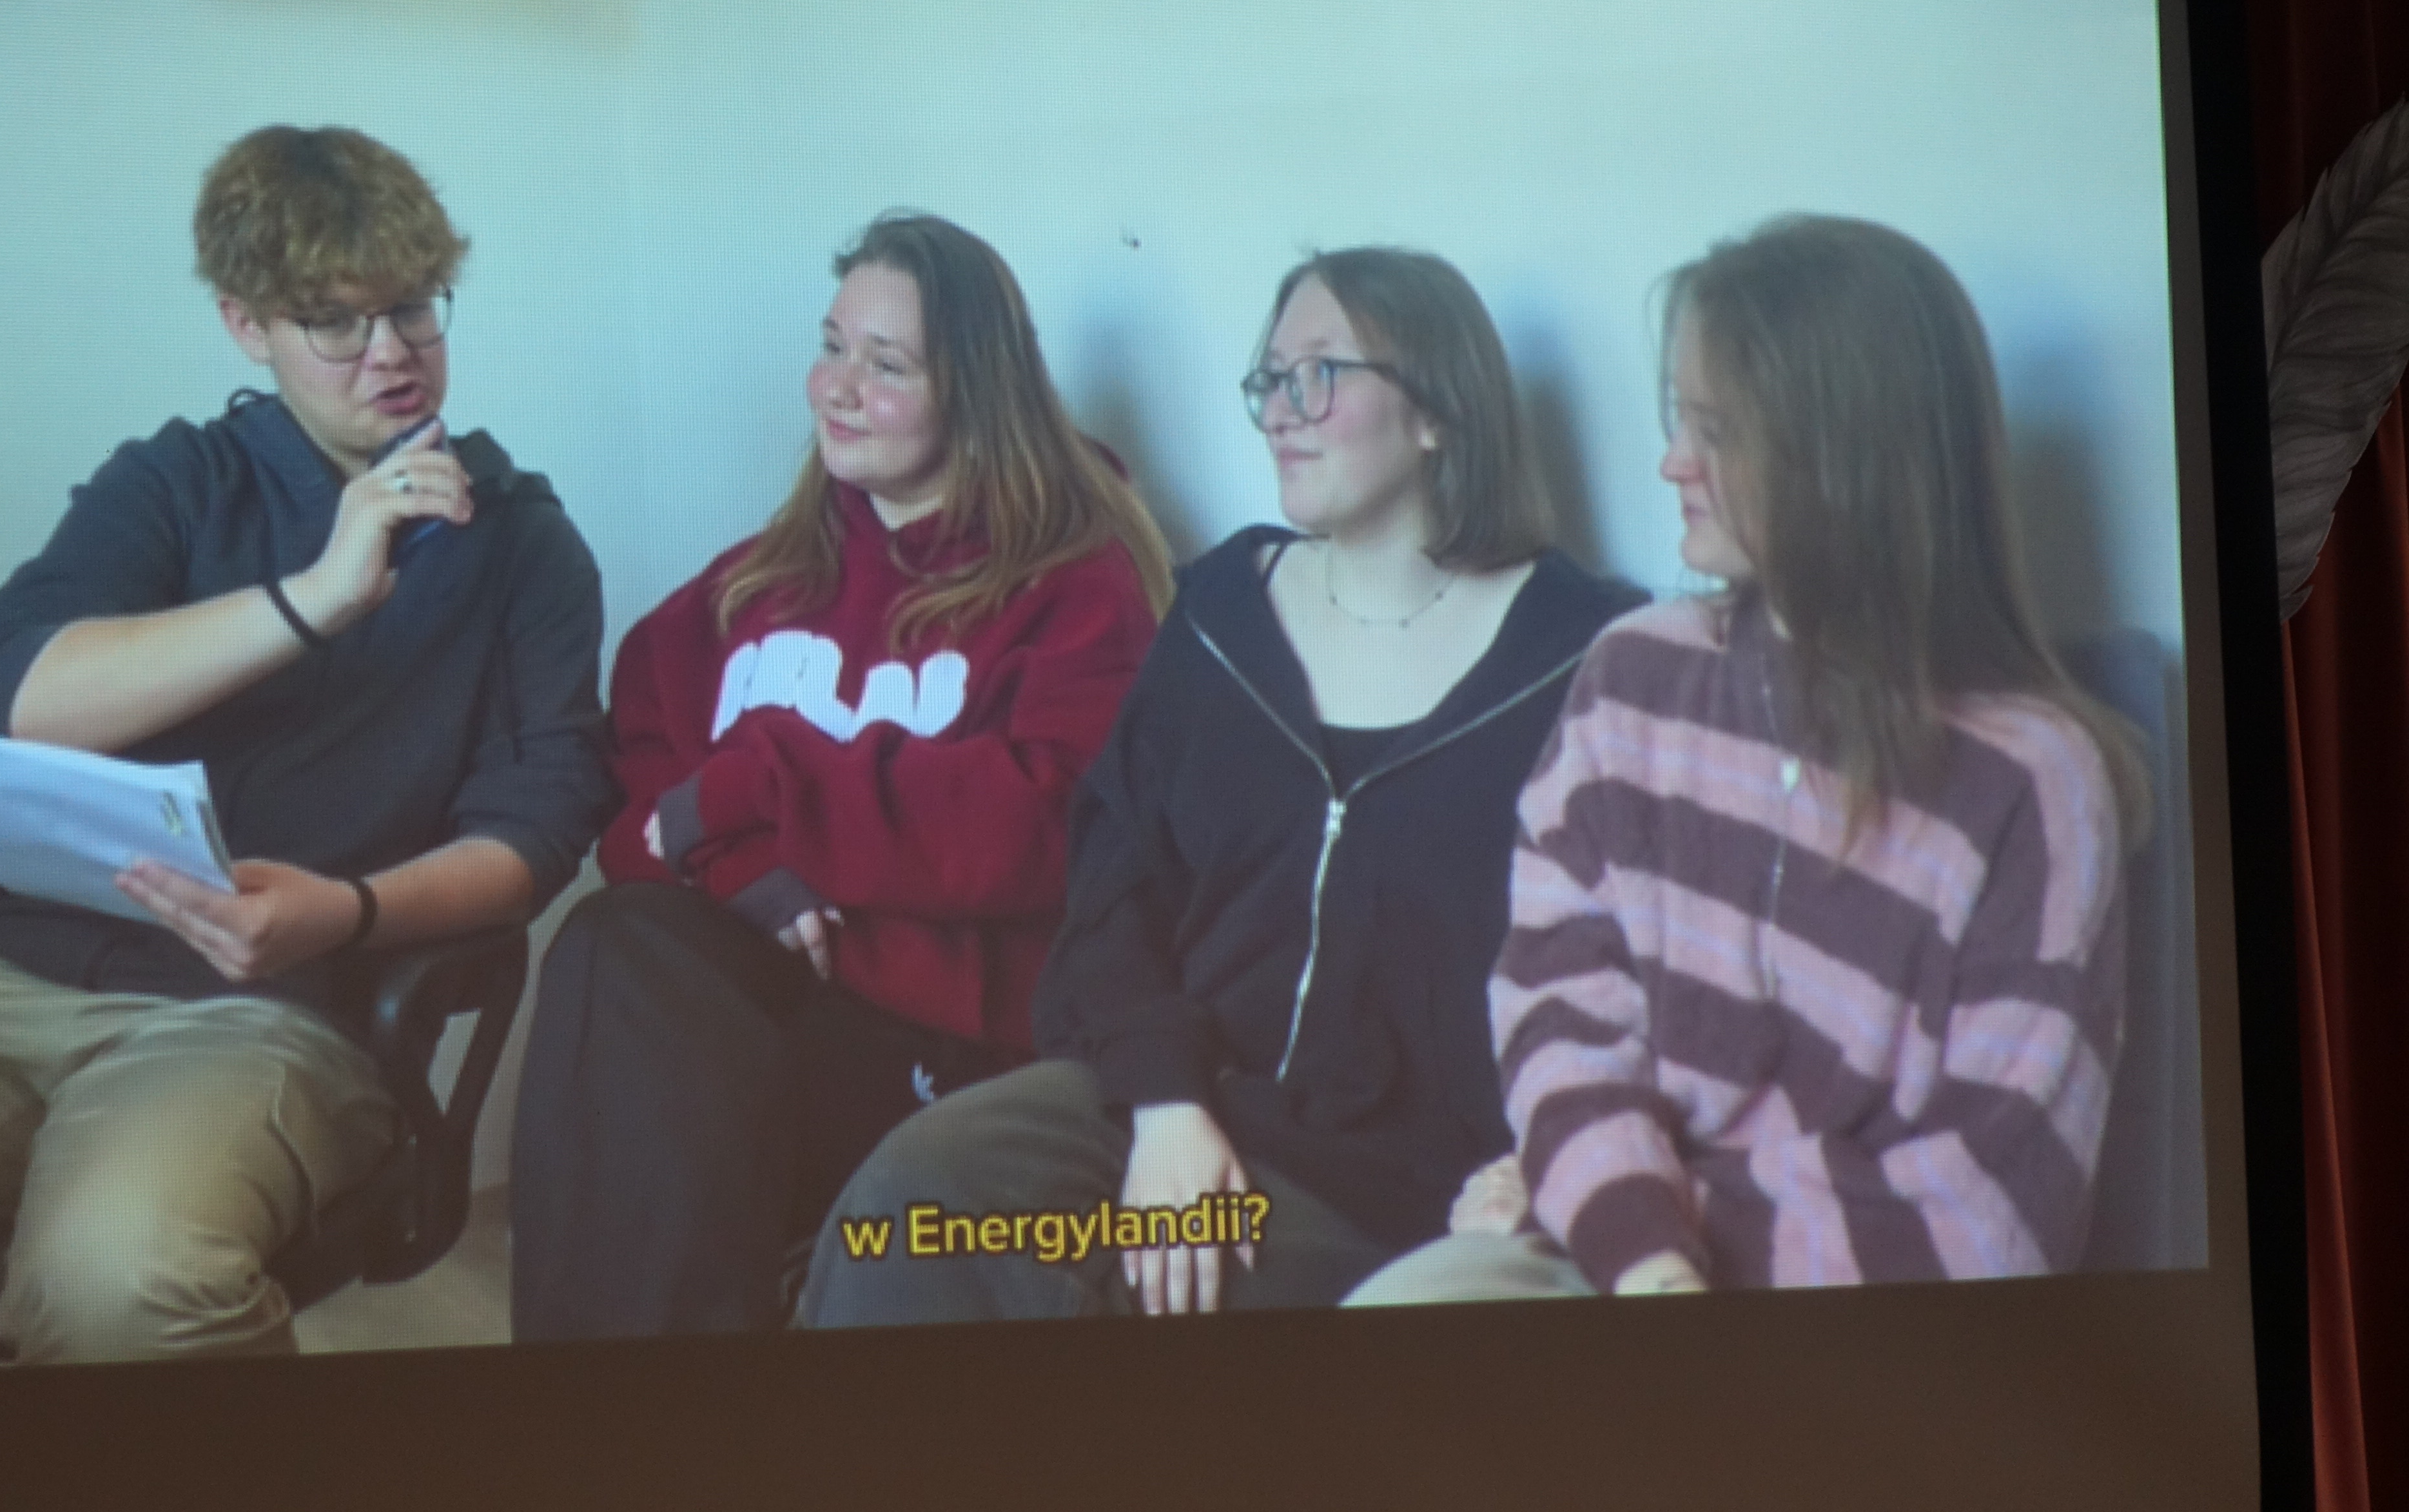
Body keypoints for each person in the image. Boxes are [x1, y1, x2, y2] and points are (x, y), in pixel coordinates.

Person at [0, 125, 616, 1366]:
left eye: (414, 308)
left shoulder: (523, 543)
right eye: (335, 321)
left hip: (262, 1013)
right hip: (0, 971)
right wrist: (314, 598)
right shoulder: (174, 482)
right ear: (245, 325)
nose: (391, 352)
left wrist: (346, 914)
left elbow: (537, 830)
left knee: (124, 1281)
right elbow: (6, 696)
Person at [800, 247, 1643, 1326]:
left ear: (1439, 410)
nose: (1280, 412)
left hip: (1385, 1180)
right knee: (905, 1207)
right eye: (1269, 379)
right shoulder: (1223, 614)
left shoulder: (1586, 661)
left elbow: (1642, 967)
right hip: (1158, 1100)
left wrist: (1546, 1161)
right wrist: (1168, 1105)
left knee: (1123, 1285)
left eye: (1319, 376)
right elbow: (1112, 889)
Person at [1352, 215, 2146, 1304]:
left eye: (1715, 431)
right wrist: (1638, 1249)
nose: (1672, 462)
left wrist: (1630, 1213)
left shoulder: (2035, 785)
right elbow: (1556, 1013)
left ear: (1840, 460)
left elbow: (1996, 1214)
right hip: (1612, 1257)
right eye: (1680, 418)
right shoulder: (1633, 675)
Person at [508, 212, 1170, 1341]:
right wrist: (746, 873)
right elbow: (647, 771)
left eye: (888, 365)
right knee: (616, 946)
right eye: (831, 347)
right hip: (754, 1007)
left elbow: (1045, 825)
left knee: (645, 1027)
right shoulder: (762, 578)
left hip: (937, 1035)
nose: (837, 389)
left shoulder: (1074, 586)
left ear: (979, 394)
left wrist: (766, 788)